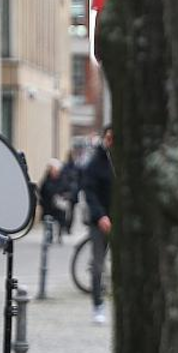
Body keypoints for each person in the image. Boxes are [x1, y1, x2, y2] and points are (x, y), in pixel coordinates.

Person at [81, 126, 112, 324]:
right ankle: (97, 305)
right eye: (109, 138)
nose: (112, 142)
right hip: (99, 221)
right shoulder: (95, 163)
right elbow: (89, 191)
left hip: (120, 220)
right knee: (98, 264)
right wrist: (100, 216)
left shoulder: (126, 161)